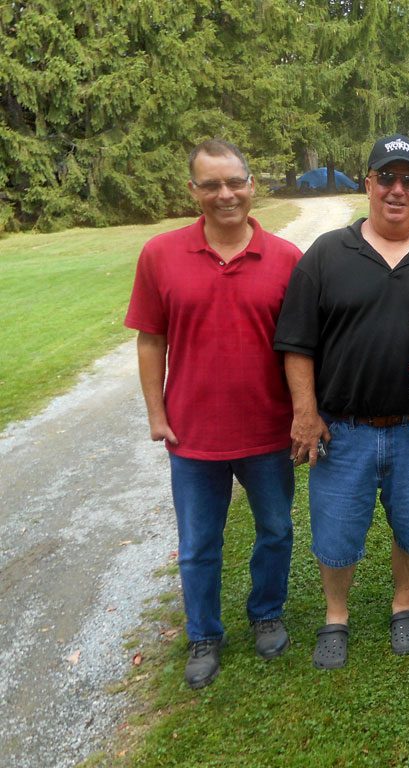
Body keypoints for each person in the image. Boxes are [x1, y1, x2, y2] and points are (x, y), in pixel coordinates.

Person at [273, 134, 409, 668]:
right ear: (368, 184)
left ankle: (402, 604)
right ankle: (335, 616)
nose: (397, 189)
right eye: (386, 177)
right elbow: (296, 342)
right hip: (344, 428)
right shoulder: (327, 255)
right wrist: (305, 414)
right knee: (336, 533)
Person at [125, 139, 300, 689]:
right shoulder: (160, 255)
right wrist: (157, 413)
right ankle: (204, 632)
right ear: (194, 192)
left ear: (252, 186)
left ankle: (266, 613)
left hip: (268, 429)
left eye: (234, 183)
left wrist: (304, 414)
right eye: (211, 185)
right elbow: (151, 341)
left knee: (275, 530)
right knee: (200, 541)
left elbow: (300, 349)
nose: (225, 194)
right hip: (193, 433)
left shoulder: (287, 260)